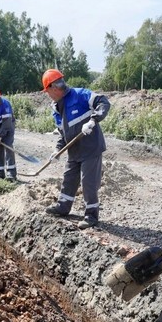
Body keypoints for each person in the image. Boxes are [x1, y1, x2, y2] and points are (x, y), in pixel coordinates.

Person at [41, 68, 111, 230]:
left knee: (88, 182)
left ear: (54, 88)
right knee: (69, 178)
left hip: (90, 148)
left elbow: (103, 102)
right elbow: (62, 132)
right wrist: (57, 150)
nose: (48, 94)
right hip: (74, 150)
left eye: (47, 91)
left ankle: (91, 215)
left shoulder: (80, 95)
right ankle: (63, 207)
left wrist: (93, 120)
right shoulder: (56, 108)